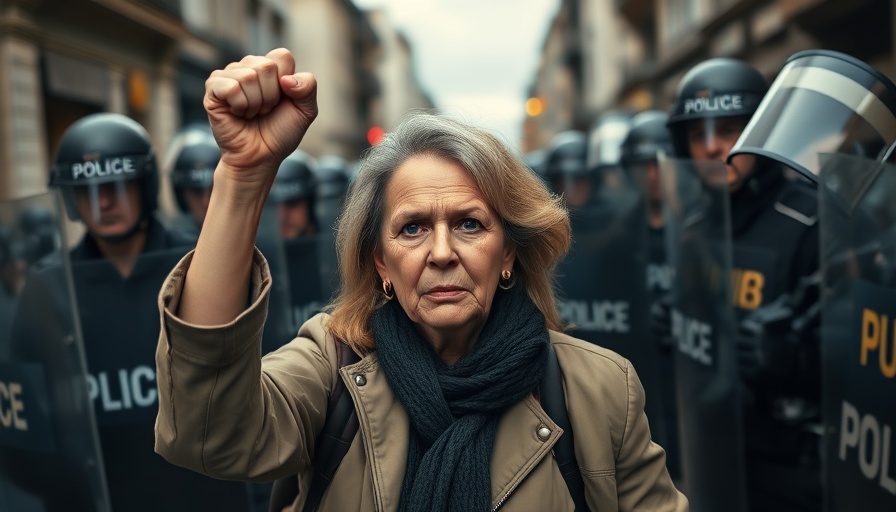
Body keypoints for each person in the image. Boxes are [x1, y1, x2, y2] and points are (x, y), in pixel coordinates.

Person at [154, 48, 688, 512]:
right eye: (411, 229)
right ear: (381, 263)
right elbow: (210, 432)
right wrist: (243, 176)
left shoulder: (600, 392)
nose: (441, 253)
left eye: (469, 224)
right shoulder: (330, 370)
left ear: (508, 253)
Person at [8, 112, 252, 512]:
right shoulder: (48, 286)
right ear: (70, 199)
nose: (103, 202)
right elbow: (25, 424)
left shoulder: (200, 262)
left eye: (116, 186)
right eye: (87, 191)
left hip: (205, 493)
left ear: (146, 184)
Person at [665, 57, 821, 512]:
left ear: (765, 131)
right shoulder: (694, 227)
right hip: (710, 452)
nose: (713, 148)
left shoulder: (812, 220)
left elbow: (862, 361)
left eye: (730, 130)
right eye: (698, 134)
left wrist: (799, 358)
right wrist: (674, 323)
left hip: (792, 467)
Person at [619, 109, 680, 480]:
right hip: (637, 384)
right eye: (644, 166)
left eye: (661, 164)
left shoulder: (700, 230)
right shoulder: (618, 235)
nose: (654, 176)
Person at [169, 124, 220, 232]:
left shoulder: (252, 239)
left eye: (213, 190)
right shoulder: (171, 244)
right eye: (197, 192)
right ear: (181, 195)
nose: (206, 201)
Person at [269, 149, 318, 240]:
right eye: (275, 206)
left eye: (292, 204)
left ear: (311, 205)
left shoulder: (330, 250)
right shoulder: (256, 250)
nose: (282, 215)